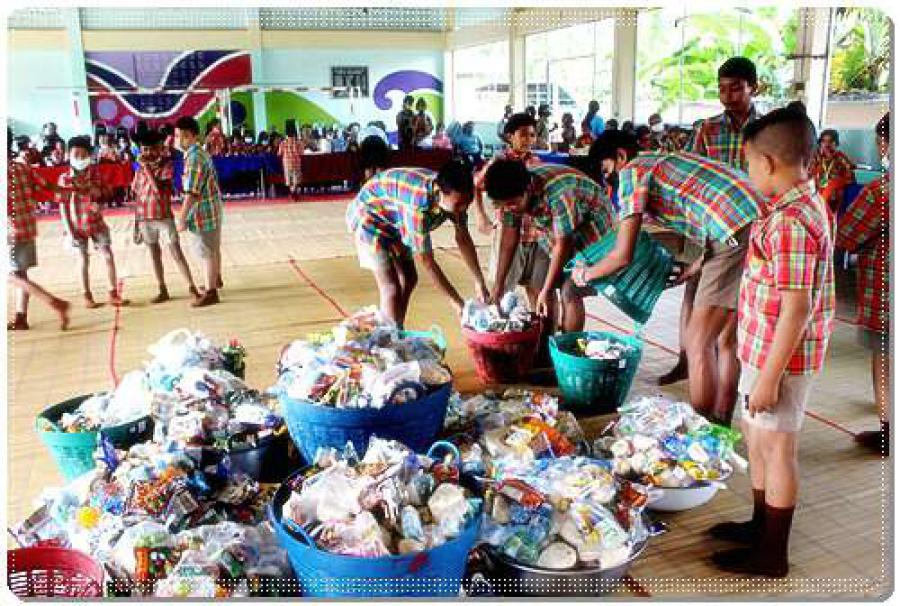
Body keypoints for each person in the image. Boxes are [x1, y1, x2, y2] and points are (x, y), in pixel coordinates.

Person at [711, 107, 834, 578]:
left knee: (777, 448)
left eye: (747, 163)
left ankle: (772, 553)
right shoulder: (794, 207)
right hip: (763, 351)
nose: (747, 171)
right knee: (759, 441)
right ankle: (760, 527)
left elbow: (796, 307)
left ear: (767, 162)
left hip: (781, 360)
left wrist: (769, 378)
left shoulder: (791, 221)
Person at [573, 130, 761, 424]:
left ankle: (703, 428)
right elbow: (710, 216)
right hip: (751, 222)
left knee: (699, 342)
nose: (610, 180)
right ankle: (720, 420)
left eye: (608, 171)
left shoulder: (632, 172)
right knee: (726, 339)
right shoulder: (662, 162)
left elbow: (622, 255)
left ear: (621, 156)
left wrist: (585, 274)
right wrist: (695, 266)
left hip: (733, 230)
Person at [660, 56, 763, 387]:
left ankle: (723, 360)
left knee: (738, 297)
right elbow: (690, 177)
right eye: (722, 89)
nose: (727, 96)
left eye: (736, 88)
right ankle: (685, 359)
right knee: (694, 291)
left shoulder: (766, 130)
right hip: (706, 225)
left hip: (750, 225)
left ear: (754, 88)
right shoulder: (707, 129)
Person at [345, 160, 489, 327]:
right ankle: (390, 335)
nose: (462, 209)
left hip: (395, 216)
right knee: (391, 288)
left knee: (409, 277)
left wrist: (479, 281)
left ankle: (396, 327)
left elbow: (463, 238)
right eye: (458, 205)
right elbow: (427, 262)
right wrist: (456, 302)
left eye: (467, 203)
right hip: (370, 218)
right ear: (440, 192)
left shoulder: (457, 196)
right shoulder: (418, 206)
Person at [484, 161, 615, 328]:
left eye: (511, 204)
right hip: (564, 229)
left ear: (528, 190)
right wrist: (498, 285)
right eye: (502, 206)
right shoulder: (511, 194)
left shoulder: (558, 194)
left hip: (595, 231)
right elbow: (509, 238)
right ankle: (546, 340)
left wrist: (546, 291)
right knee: (542, 287)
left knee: (571, 290)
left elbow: (563, 244)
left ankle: (570, 343)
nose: (508, 209)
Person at [836, 112, 890, 455]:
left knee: (884, 360)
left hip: (885, 293)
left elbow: (847, 236)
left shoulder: (880, 192)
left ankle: (888, 433)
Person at [472, 114, 551, 312]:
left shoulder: (536, 162)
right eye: (523, 135)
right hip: (508, 232)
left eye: (532, 135)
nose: (528, 140)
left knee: (537, 288)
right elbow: (476, 184)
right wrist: (480, 215)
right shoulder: (499, 162)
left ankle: (536, 325)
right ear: (510, 136)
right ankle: (499, 324)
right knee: (503, 287)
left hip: (535, 234)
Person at [8, 140, 75, 330]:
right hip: (27, 226)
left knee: (11, 275)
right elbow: (46, 186)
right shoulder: (22, 168)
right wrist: (69, 190)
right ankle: (21, 317)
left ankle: (54, 302)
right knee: (20, 273)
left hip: (8, 230)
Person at [56, 136, 129, 308]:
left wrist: (100, 202)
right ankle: (87, 296)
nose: (80, 158)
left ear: (89, 155)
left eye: (84, 155)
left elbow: (107, 194)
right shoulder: (64, 179)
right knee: (83, 259)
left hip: (97, 223)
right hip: (76, 226)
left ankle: (113, 293)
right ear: (68, 155)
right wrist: (69, 231)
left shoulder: (97, 175)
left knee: (108, 255)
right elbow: (63, 207)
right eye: (76, 154)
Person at [130, 130, 200, 304]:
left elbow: (158, 190)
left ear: (159, 148)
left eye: (151, 149)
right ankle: (162, 289)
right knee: (154, 254)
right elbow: (137, 194)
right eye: (144, 149)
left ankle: (192, 287)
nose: (148, 153)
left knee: (176, 252)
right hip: (145, 217)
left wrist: (146, 168)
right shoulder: (139, 170)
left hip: (163, 216)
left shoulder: (166, 166)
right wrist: (137, 223)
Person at [174, 116, 225, 307]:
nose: (180, 140)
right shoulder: (199, 153)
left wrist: (182, 217)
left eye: (185, 136)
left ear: (195, 136)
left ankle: (211, 292)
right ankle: (214, 279)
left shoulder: (194, 158)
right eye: (177, 136)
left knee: (206, 252)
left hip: (203, 212)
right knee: (213, 249)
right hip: (211, 209)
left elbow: (192, 193)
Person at [810, 128, 856, 213]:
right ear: (820, 143)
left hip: (834, 195)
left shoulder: (840, 157)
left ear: (836, 143)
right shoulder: (816, 157)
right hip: (817, 192)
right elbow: (809, 174)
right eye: (824, 141)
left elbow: (851, 177)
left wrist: (835, 183)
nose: (827, 144)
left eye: (830, 141)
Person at [279, 121, 305, 200]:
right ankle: (294, 191)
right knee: (296, 178)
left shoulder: (283, 143)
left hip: (287, 163)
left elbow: (279, 153)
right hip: (296, 162)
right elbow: (301, 153)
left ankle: (292, 191)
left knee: (289, 179)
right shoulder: (298, 142)